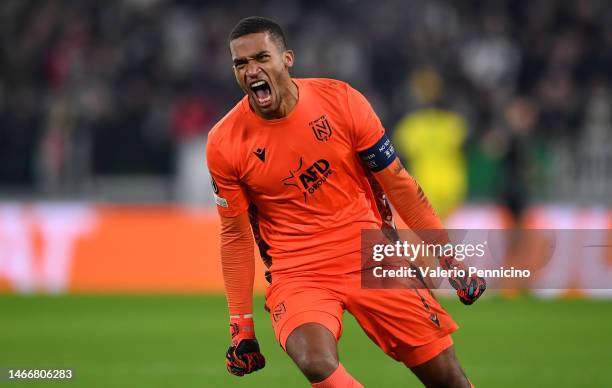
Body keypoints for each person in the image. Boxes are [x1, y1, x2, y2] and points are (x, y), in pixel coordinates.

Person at [207, 16, 486, 388]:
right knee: (314, 361)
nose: (251, 70)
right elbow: (235, 236)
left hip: (369, 251)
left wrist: (448, 255)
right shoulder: (224, 142)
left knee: (447, 378)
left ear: (287, 58)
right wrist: (240, 325)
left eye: (261, 58)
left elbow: (398, 184)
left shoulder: (341, 101)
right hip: (297, 271)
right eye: (241, 63)